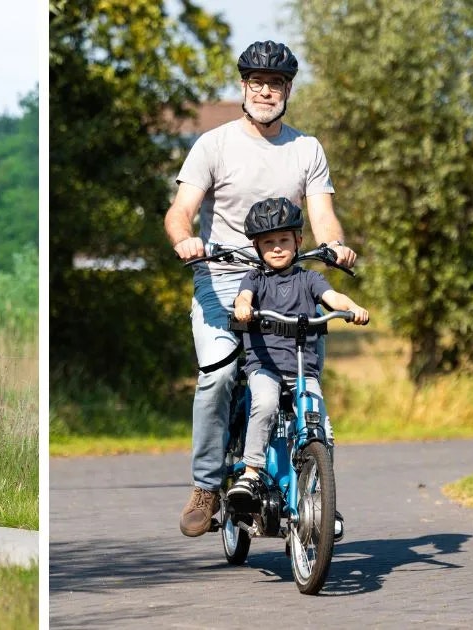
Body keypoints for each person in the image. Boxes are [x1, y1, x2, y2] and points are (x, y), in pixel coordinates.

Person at [163, 40, 357, 538]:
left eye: (275, 84)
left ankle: (313, 488)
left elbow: (322, 216)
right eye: (257, 83)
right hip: (224, 281)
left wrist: (334, 246)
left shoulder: (306, 148)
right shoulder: (215, 144)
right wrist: (186, 240)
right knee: (220, 376)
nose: (266, 92)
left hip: (288, 284)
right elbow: (181, 210)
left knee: (304, 382)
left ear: (288, 90)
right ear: (244, 87)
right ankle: (206, 487)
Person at [227, 198, 368, 509]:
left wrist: (353, 308)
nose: (277, 248)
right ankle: (251, 472)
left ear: (298, 241)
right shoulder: (256, 279)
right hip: (265, 367)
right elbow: (244, 296)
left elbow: (333, 297)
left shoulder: (309, 279)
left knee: (319, 424)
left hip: (303, 370)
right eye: (269, 243)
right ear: (257, 247)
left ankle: (320, 492)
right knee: (264, 404)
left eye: (283, 240)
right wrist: (243, 308)